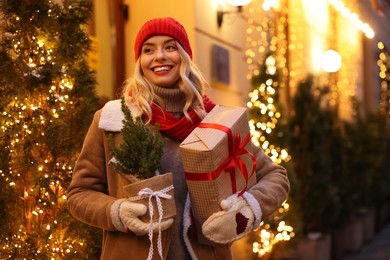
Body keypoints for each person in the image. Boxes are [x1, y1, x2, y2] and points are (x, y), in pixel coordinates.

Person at [66, 17, 290, 260]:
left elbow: (276, 177)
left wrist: (246, 209)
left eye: (170, 47)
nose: (159, 56)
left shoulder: (216, 121)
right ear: (140, 62)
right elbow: (79, 193)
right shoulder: (114, 120)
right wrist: (117, 212)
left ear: (184, 56)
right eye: (148, 50)